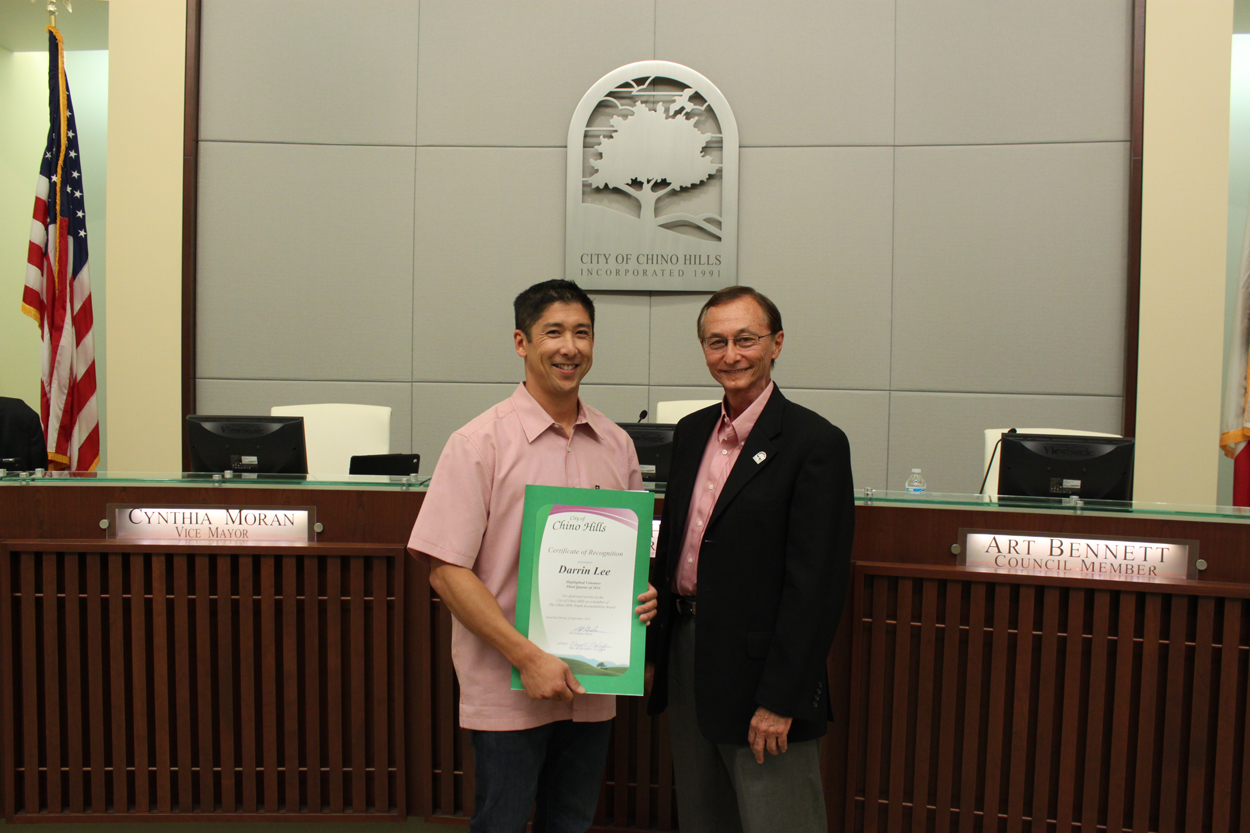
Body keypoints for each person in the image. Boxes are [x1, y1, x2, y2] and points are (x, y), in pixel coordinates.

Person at [407, 279, 658, 833]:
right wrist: (528, 657)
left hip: (592, 686)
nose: (570, 347)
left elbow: (631, 560)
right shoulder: (478, 444)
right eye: (554, 333)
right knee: (501, 823)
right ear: (521, 342)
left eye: (582, 333)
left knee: (571, 823)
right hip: (507, 687)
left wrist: (641, 595)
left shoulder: (617, 445)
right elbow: (446, 571)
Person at [646, 286, 855, 833]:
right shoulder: (692, 432)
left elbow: (817, 586)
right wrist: (652, 651)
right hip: (688, 653)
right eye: (716, 342)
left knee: (777, 819)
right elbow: (674, 549)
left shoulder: (816, 443)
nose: (731, 355)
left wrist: (783, 698)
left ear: (776, 344)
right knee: (703, 816)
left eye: (746, 339)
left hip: (765, 673)